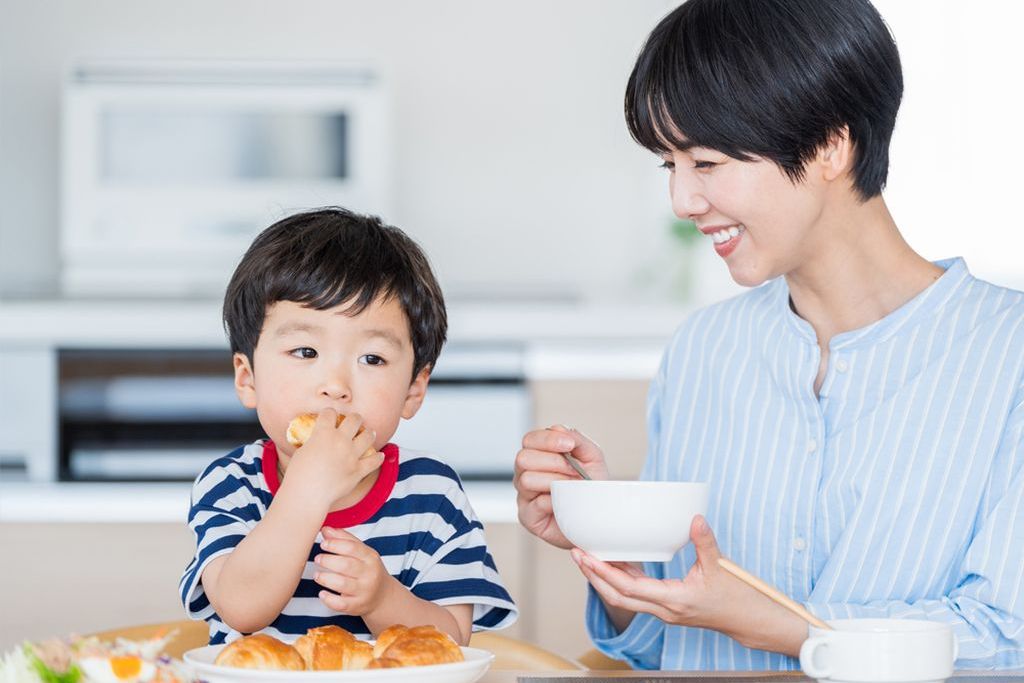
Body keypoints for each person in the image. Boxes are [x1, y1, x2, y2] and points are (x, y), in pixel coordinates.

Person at [514, 0, 1024, 671]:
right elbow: (660, 644)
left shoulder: (1007, 355)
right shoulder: (702, 351)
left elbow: (1008, 638)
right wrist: (615, 547)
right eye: (670, 165)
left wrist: (786, 626)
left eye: (707, 162)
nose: (683, 201)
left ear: (830, 146)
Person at [179, 207, 517, 645]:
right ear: (248, 379)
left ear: (414, 390)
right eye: (305, 352)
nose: (335, 387)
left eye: (371, 359)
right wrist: (309, 488)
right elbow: (242, 608)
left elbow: (450, 645)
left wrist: (382, 600)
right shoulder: (231, 484)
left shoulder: (433, 496)